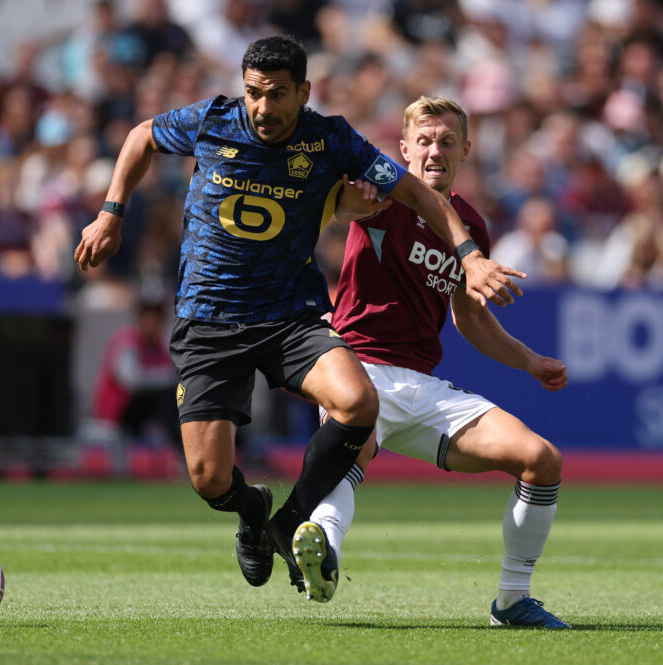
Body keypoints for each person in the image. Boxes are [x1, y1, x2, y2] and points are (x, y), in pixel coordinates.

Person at [74, 37, 524, 593]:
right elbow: (141, 135)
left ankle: (293, 520)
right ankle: (252, 509)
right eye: (254, 93)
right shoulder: (213, 119)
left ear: (303, 93)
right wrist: (110, 214)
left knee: (359, 403)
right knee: (210, 480)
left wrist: (470, 256)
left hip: (290, 316)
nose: (263, 107)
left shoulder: (329, 139)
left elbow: (420, 195)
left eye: (278, 95)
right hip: (208, 321)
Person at [290, 96, 571, 628]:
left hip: (424, 386)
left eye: (445, 141)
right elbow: (334, 202)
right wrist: (351, 196)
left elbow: (469, 321)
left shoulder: (469, 227)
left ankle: (512, 601)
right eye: (423, 140)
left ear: (465, 150)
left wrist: (529, 361)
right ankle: (322, 549)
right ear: (404, 149)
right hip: (356, 371)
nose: (434, 150)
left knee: (542, 459)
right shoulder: (376, 197)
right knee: (353, 449)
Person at [90, 290, 184, 462]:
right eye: (149, 315)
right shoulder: (126, 341)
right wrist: (166, 377)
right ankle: (182, 452)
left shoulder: (159, 344)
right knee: (165, 396)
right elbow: (131, 381)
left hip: (145, 408)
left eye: (158, 316)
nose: (154, 321)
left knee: (177, 396)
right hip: (119, 410)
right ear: (140, 317)